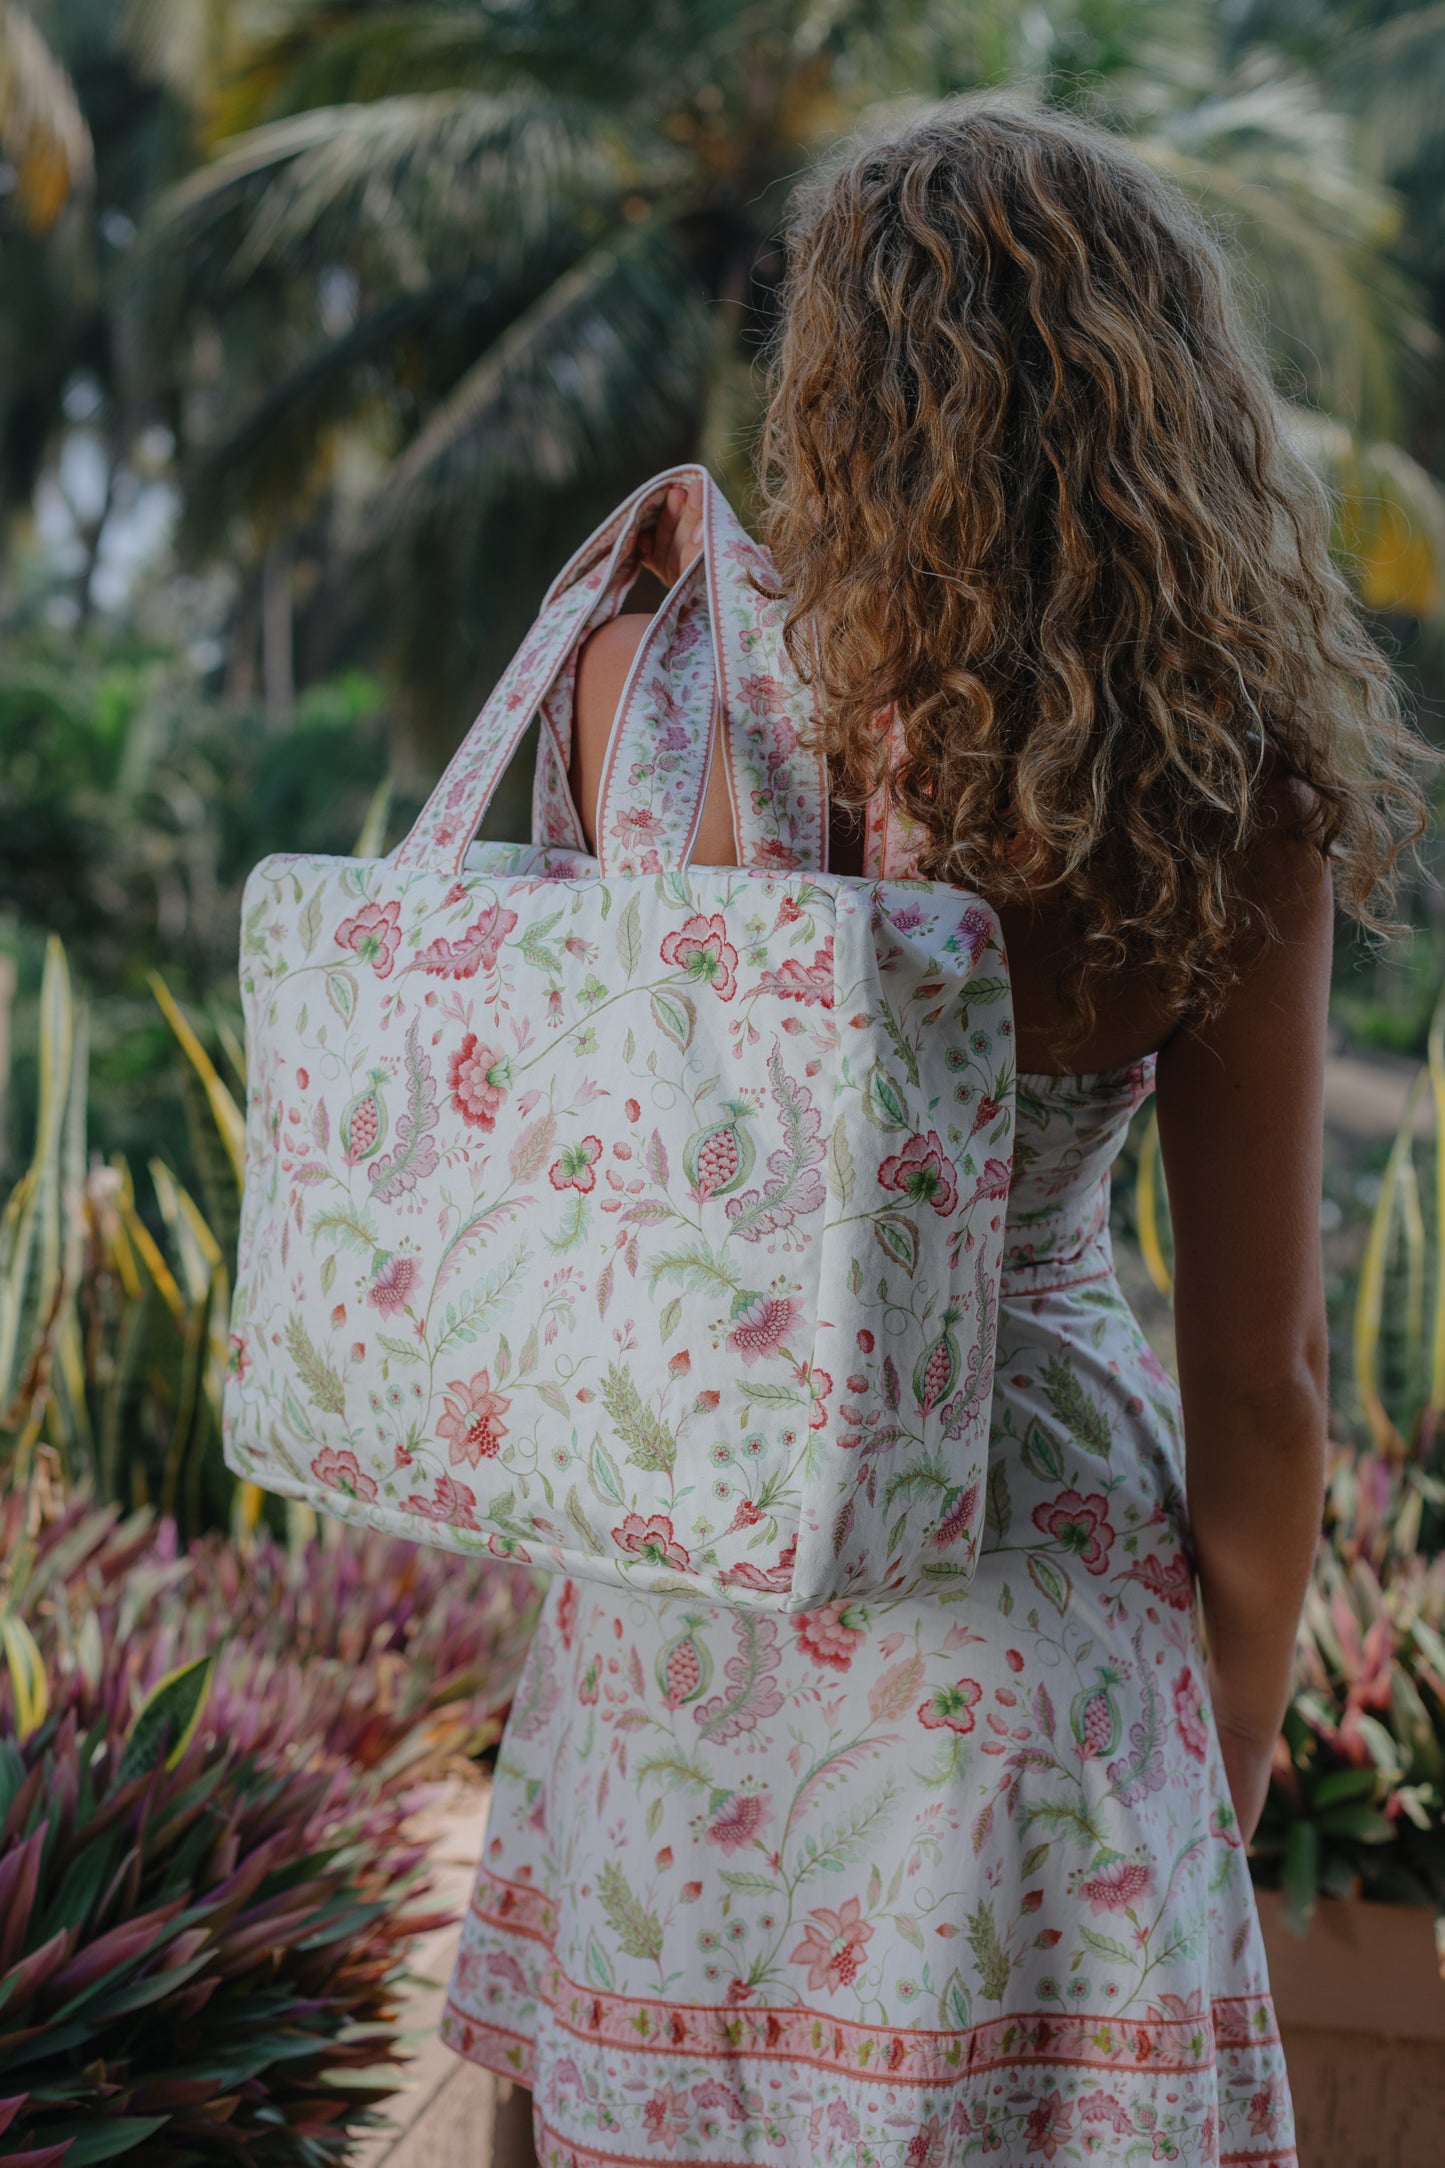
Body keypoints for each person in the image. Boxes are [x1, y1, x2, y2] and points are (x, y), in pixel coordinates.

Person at [442, 101, 1424, 2167]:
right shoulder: (1221, 789)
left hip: (693, 1614)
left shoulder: (654, 684)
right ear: (1167, 402)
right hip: (1027, 1650)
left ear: (836, 388)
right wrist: (1195, 1786)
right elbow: (1260, 1391)